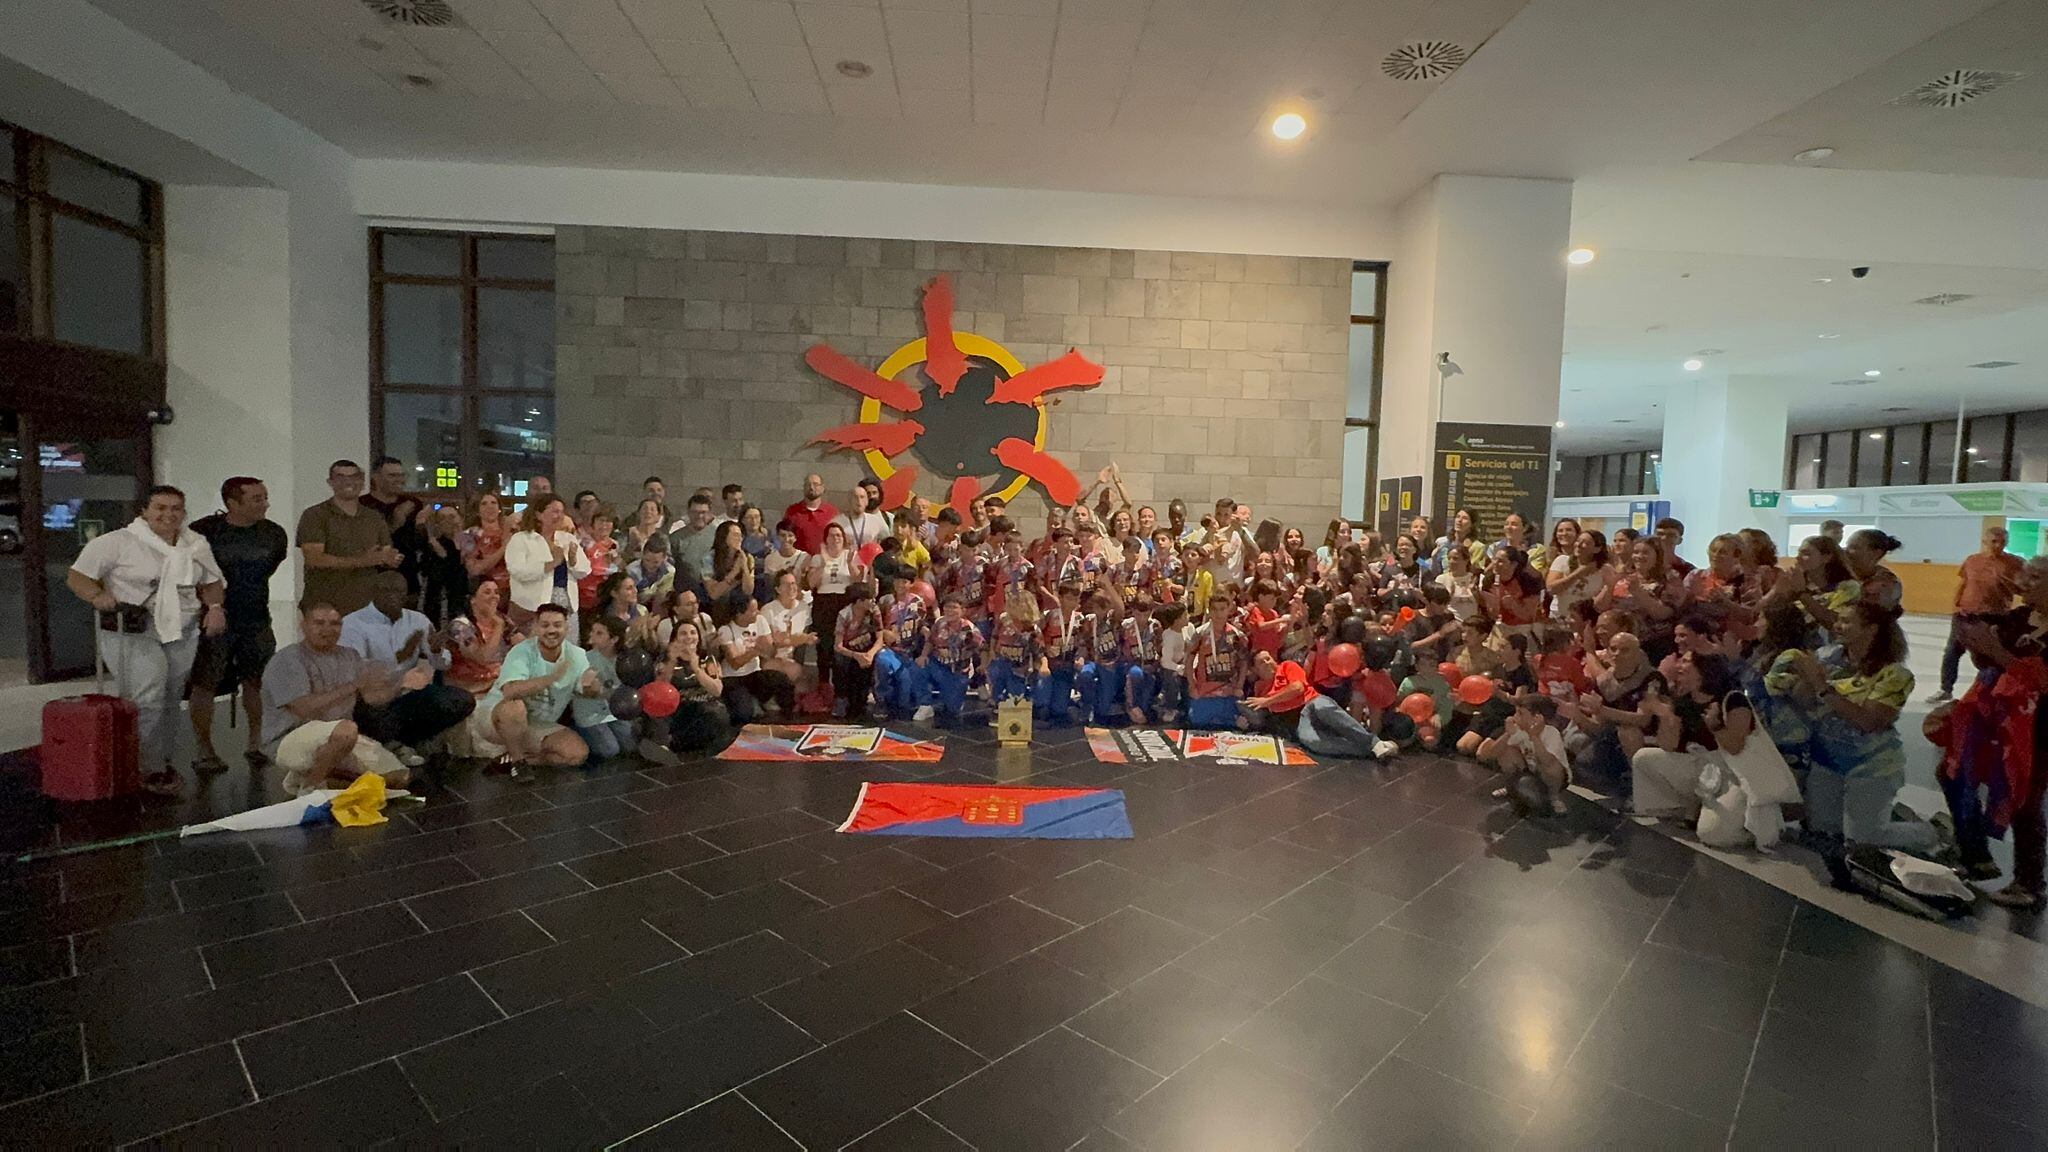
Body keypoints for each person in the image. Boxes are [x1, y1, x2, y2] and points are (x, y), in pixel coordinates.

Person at [67, 485, 227, 794]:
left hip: (182, 627)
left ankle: (161, 759)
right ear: (145, 511)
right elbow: (78, 577)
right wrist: (98, 595)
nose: (169, 515)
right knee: (148, 694)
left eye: (176, 508)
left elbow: (211, 581)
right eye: (160, 508)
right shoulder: (116, 542)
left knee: (171, 696)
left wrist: (216, 608)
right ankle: (144, 767)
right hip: (133, 628)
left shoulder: (195, 544)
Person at [1782, 601, 1936, 853]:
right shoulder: (1828, 656)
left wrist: (1822, 686)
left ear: (1871, 629)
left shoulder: (1894, 674)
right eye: (1838, 619)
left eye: (1846, 621)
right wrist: (1807, 678)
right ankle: (1881, 814)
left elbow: (1868, 721)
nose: (1836, 626)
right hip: (1827, 760)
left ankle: (1929, 832)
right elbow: (1802, 701)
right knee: (1824, 829)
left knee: (1863, 839)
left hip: (1871, 765)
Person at [1941, 555, 2048, 908]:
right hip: (1997, 716)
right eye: (2025, 576)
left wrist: (1995, 651)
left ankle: (2029, 882)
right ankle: (1975, 853)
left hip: (2037, 725)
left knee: (2025, 798)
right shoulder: (2018, 617)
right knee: (1953, 773)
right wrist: (1974, 641)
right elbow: (1988, 659)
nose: (2023, 584)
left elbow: (2038, 679)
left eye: (2034, 578)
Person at [260, 598, 426, 796]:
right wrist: (353, 685)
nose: (328, 629)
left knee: (398, 779)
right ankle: (311, 787)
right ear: (304, 626)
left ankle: (313, 775)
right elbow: (304, 708)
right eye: (319, 623)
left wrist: (402, 684)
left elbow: (373, 697)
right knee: (346, 730)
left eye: (334, 624)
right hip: (290, 738)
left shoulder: (350, 656)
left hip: (343, 738)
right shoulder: (287, 660)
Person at [186, 476, 289, 772]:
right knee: (205, 681)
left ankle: (256, 741)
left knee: (257, 681)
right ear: (233, 503)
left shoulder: (273, 534)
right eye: (256, 499)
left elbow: (270, 567)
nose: (265, 503)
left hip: (255, 616)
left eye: (265, 497)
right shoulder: (204, 532)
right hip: (212, 619)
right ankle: (204, 748)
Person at [341, 571, 475, 769]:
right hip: (373, 700)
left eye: (399, 591)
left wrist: (437, 650)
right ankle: (391, 744)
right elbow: (359, 676)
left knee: (461, 700)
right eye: (387, 591)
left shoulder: (418, 620)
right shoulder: (352, 624)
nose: (394, 596)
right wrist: (400, 673)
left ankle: (405, 741)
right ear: (374, 592)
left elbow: (442, 665)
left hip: (407, 696)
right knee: (367, 707)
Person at [1629, 652, 1755, 821]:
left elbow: (1737, 748)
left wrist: (1715, 727)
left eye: (1685, 661)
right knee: (1643, 758)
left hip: (1731, 773)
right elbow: (1668, 745)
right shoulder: (1683, 701)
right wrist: (1665, 715)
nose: (1678, 665)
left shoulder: (1732, 700)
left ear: (1702, 671)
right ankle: (1679, 807)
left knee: (1713, 834)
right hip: (1699, 768)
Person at [476, 603, 593, 773]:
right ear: (536, 627)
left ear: (567, 627)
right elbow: (510, 691)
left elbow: (587, 689)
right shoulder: (521, 651)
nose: (551, 630)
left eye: (557, 625)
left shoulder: (578, 655)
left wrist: (594, 688)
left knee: (576, 754)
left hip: (537, 723)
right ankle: (518, 763)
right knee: (515, 708)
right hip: (496, 718)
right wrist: (551, 678)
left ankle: (513, 762)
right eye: (545, 625)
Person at [297, 460, 402, 617]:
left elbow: (385, 552)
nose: (348, 482)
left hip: (366, 609)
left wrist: (391, 558)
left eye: (354, 477)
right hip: (324, 609)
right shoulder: (315, 515)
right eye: (341, 477)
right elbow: (314, 558)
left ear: (362, 481)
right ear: (330, 482)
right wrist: (362, 561)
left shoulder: (374, 517)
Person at [1242, 650, 1390, 760]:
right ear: (1255, 669)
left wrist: (1267, 701)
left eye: (1268, 658)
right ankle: (1370, 750)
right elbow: (1261, 714)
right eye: (1262, 662)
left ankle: (1373, 741)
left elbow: (1297, 688)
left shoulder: (1287, 666)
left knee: (1323, 708)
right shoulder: (1259, 687)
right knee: (1311, 741)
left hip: (1311, 702)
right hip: (1297, 720)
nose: (1268, 662)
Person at [1933, 524, 2021, 703]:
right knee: (1952, 652)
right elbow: (1964, 583)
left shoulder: (2016, 563)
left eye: (2002, 542)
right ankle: (1945, 689)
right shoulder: (1972, 560)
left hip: (1995, 617)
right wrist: (1956, 605)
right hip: (1965, 614)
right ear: (1985, 541)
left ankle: (1990, 692)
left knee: (1989, 657)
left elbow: (2025, 587)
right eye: (1994, 541)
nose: (1998, 545)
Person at [506, 494, 591, 636]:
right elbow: (517, 571)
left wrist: (572, 560)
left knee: (566, 653)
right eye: (555, 511)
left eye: (562, 512)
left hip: (566, 606)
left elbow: (585, 570)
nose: (560, 516)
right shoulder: (521, 539)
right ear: (539, 514)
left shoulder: (567, 538)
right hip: (533, 608)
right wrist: (551, 564)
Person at [1482, 694, 1571, 814]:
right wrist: (1507, 734)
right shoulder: (1519, 731)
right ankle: (1513, 786)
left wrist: (1534, 736)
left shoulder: (1551, 733)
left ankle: (1554, 797)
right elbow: (1492, 753)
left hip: (1551, 778)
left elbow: (1547, 761)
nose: (1515, 717)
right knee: (1507, 751)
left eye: (1520, 713)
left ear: (1536, 717)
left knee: (1552, 767)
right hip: (1531, 771)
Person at [806, 521, 864, 702]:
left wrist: (849, 563)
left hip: (844, 602)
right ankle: (824, 687)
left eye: (839, 535)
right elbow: (811, 584)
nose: (836, 538)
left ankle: (843, 692)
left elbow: (858, 581)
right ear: (826, 539)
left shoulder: (851, 555)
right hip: (824, 603)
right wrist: (823, 563)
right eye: (832, 535)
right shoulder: (817, 558)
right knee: (824, 646)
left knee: (843, 646)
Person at [718, 594, 798, 724]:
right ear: (740, 613)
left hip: (754, 673)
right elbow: (735, 663)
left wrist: (775, 644)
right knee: (744, 713)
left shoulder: (760, 621)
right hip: (733, 678)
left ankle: (787, 718)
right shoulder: (726, 630)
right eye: (753, 610)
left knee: (782, 681)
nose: (758, 612)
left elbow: (770, 652)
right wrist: (755, 650)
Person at [446, 580, 514, 694]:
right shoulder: (460, 626)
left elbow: (524, 646)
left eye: (496, 592)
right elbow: (483, 658)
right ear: (472, 600)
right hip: (471, 690)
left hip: (500, 685)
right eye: (487, 592)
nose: (494, 596)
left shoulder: (503, 619)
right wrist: (498, 626)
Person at [833, 582, 885, 722]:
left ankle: (878, 698)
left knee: (881, 659)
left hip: (868, 650)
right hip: (850, 653)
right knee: (839, 661)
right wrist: (857, 656)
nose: (873, 602)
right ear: (859, 601)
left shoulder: (874, 611)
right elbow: (838, 646)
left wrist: (870, 654)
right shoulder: (844, 615)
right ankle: (841, 698)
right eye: (870, 599)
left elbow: (880, 637)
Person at [417, 506, 469, 628]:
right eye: (442, 518)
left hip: (463, 604)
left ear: (461, 519)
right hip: (437, 606)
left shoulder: (471, 541)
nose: (448, 521)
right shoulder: (431, 546)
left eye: (452, 517)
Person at [458, 491, 512, 591]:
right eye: (484, 504)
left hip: (514, 592)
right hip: (484, 590)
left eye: (493, 503)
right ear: (477, 511)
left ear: (499, 508)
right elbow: (475, 569)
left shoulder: (511, 532)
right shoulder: (469, 535)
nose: (490, 507)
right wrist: (503, 548)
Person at [1843, 528, 1904, 614]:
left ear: (1876, 553)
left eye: (1854, 547)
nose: (1845, 551)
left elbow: (1864, 617)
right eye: (1847, 546)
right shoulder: (1843, 573)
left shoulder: (1886, 582)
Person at [702, 520, 754, 620]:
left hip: (740, 603)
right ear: (724, 537)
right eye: (735, 535)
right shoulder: (709, 558)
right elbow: (714, 594)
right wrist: (734, 571)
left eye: (741, 535)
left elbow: (748, 590)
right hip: (717, 605)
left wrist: (744, 566)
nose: (739, 539)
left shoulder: (748, 557)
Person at [666, 492, 719, 591]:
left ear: (709, 513)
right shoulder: (675, 538)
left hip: (713, 590)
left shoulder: (718, 535)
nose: (699, 516)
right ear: (688, 512)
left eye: (703, 512)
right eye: (695, 512)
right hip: (685, 591)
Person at [782, 473, 840, 556]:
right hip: (799, 562)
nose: (812, 488)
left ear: (822, 488)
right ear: (804, 488)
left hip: (825, 563)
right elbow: (784, 537)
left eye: (815, 484)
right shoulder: (792, 512)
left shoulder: (832, 512)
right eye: (808, 485)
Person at [833, 481, 890, 566]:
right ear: (849, 500)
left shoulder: (876, 522)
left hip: (870, 567)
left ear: (867, 501)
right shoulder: (837, 522)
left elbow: (888, 543)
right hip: (845, 566)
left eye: (862, 497)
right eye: (855, 497)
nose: (859, 501)